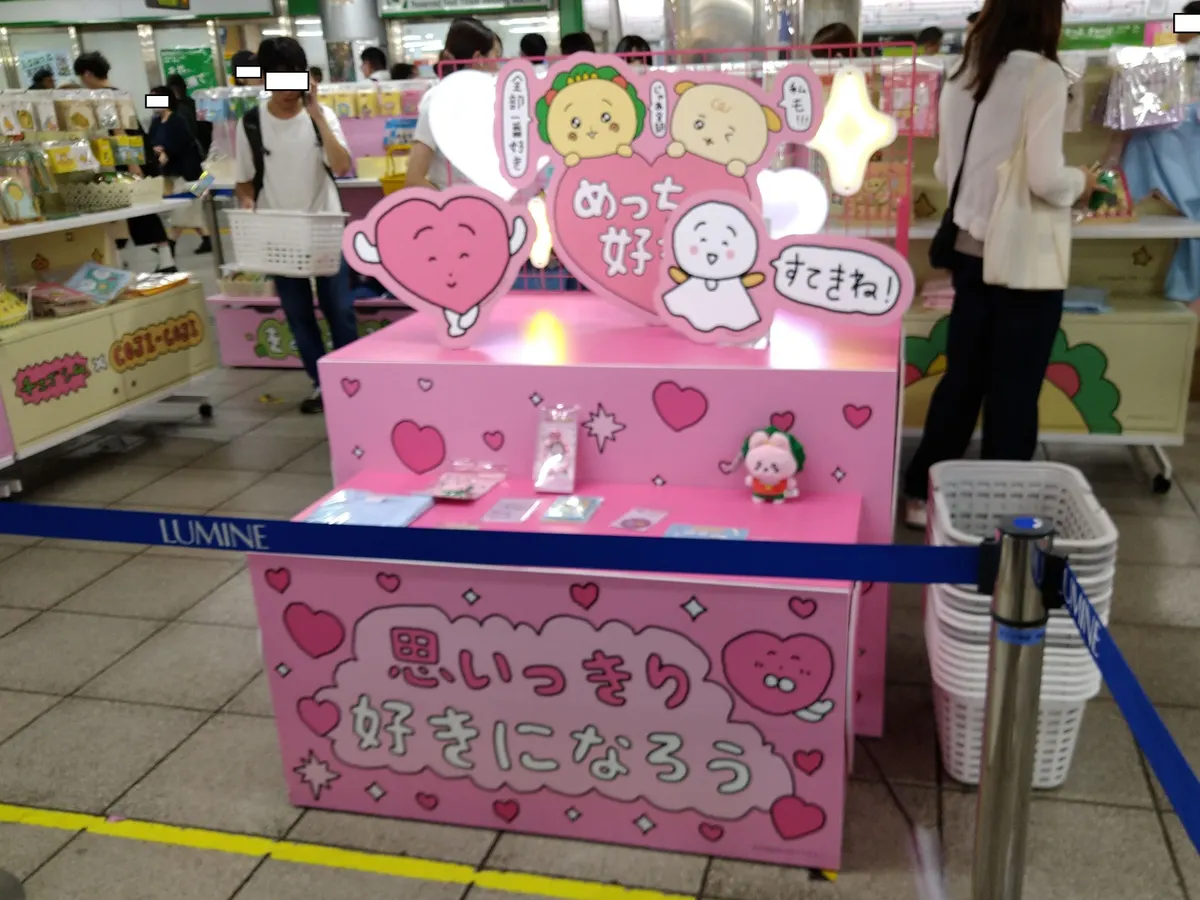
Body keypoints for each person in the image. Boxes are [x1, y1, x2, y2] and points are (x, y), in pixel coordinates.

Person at [901, 0, 1101, 527]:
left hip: (969, 252)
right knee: (1014, 390)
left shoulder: (961, 71)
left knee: (962, 380)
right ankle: (1003, 508)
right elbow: (1046, 179)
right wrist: (1082, 181)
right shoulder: (1044, 76)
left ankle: (922, 495)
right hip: (1024, 262)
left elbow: (945, 170)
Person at [235, 37, 355, 415]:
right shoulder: (251, 123)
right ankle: (321, 384)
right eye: (278, 80)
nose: (288, 91)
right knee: (298, 313)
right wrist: (247, 203)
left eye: (294, 79)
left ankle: (350, 379)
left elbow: (342, 166)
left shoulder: (322, 116)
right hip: (280, 232)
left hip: (325, 225)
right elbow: (244, 180)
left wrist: (317, 115)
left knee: (340, 309)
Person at [74, 51, 177, 272]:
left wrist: (132, 165)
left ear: (88, 74)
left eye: (81, 77)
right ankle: (155, 259)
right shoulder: (119, 93)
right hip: (137, 154)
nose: (83, 82)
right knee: (136, 210)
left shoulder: (104, 98)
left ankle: (162, 259)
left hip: (129, 158)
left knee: (139, 210)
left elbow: (119, 132)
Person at [408, 17, 500, 190]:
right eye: (495, 56)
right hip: (457, 204)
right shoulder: (437, 101)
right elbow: (414, 178)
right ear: (478, 58)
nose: (498, 65)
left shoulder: (492, 100)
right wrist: (451, 204)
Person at [147, 85, 212, 254]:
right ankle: (207, 239)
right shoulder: (155, 122)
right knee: (190, 209)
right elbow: (151, 141)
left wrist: (165, 150)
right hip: (173, 174)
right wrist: (156, 149)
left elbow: (180, 143)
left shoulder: (178, 120)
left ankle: (170, 243)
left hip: (192, 174)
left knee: (183, 209)